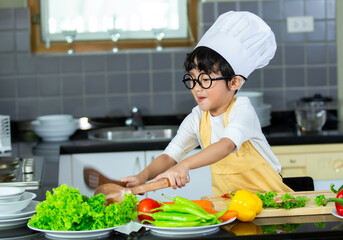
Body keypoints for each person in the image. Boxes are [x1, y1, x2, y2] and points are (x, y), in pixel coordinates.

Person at [121, 11, 293, 195]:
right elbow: (170, 155)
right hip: (229, 208)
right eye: (193, 79)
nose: (196, 88)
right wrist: (142, 176)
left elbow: (226, 145)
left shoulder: (242, 110)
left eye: (205, 79)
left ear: (234, 82)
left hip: (272, 203)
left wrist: (185, 165)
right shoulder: (197, 118)